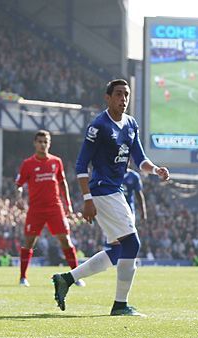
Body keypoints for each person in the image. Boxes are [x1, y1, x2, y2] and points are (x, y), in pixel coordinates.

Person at [51, 79, 170, 316]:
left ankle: (66, 278)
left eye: (126, 94)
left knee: (118, 250)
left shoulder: (131, 124)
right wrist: (87, 199)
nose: (123, 99)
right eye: (118, 94)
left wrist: (155, 170)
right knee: (132, 244)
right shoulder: (99, 126)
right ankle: (120, 305)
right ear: (108, 97)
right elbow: (81, 165)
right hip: (103, 190)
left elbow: (140, 159)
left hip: (115, 191)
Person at [14, 130, 84, 287]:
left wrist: (68, 204)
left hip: (55, 207)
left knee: (65, 240)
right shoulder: (28, 164)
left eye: (45, 141)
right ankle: (23, 277)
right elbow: (19, 185)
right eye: (40, 141)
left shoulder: (56, 162)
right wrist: (19, 198)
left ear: (49, 143)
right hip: (36, 209)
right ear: (35, 143)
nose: (42, 144)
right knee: (29, 242)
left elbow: (62, 183)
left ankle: (76, 276)